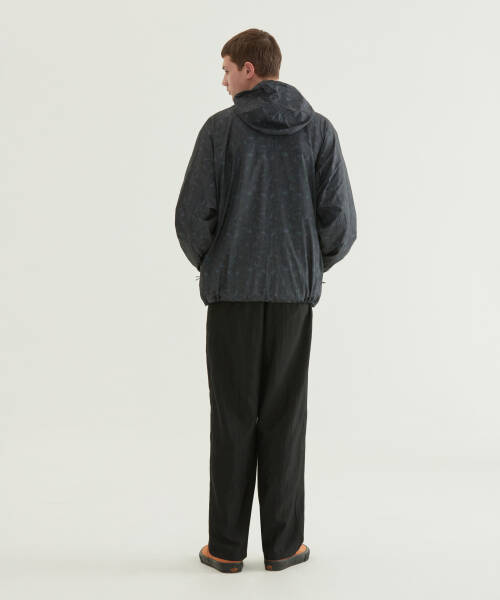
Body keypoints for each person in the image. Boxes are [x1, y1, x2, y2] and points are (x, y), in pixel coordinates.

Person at [175, 28, 357, 573]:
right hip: (291, 300)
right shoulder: (318, 132)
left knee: (232, 418)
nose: (224, 79)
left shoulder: (220, 130)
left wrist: (218, 262)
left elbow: (191, 218)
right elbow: (340, 224)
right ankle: (283, 547)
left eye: (227, 68)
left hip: (231, 296)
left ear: (249, 69)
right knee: (285, 419)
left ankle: (226, 550)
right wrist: (304, 266)